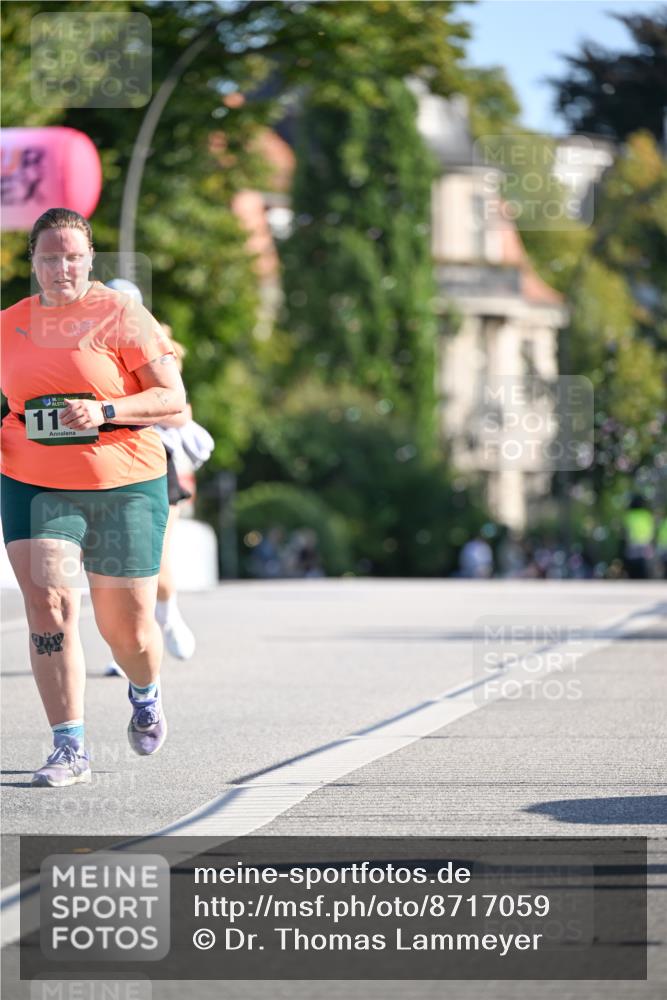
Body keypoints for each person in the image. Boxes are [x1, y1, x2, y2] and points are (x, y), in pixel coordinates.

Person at [0, 208, 186, 786]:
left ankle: (144, 690)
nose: (62, 268)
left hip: (122, 484)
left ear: (90, 260)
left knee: (127, 631)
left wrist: (105, 409)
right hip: (34, 482)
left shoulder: (123, 314)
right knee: (50, 607)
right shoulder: (9, 324)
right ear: (33, 260)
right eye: (50, 257)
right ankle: (68, 747)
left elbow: (171, 398)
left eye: (73, 257)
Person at [102, 284, 197, 674]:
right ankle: (125, 651)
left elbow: (180, 412)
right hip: (104, 464)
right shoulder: (85, 348)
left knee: (154, 563)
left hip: (155, 462)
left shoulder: (155, 345)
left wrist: (119, 410)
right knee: (112, 566)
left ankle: (168, 614)